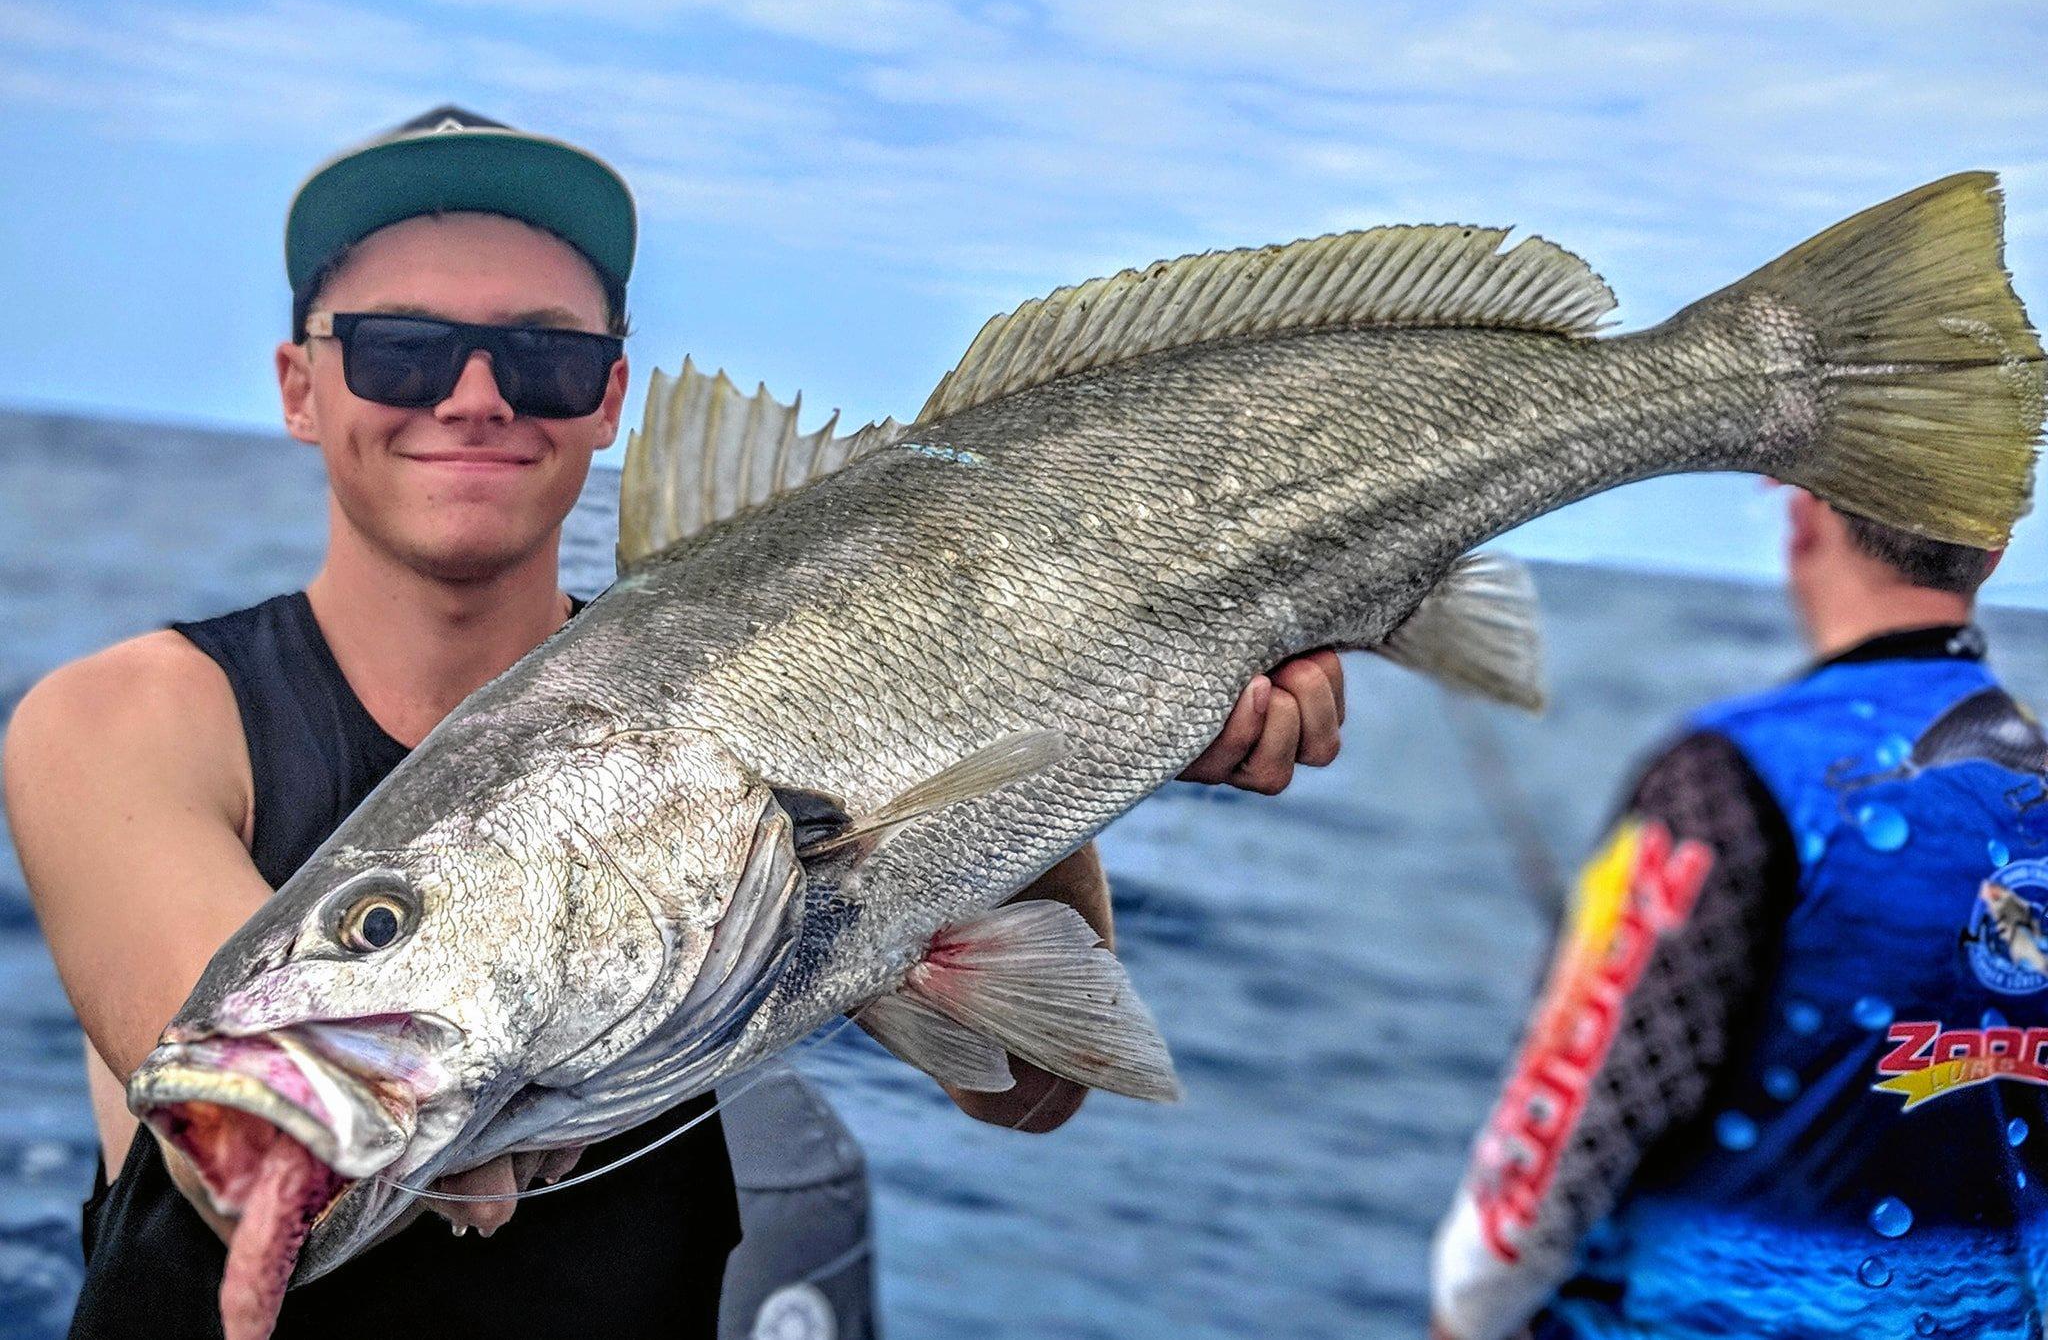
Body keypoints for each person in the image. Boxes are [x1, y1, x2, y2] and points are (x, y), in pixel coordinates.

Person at [2, 106, 1347, 1339]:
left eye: (544, 354)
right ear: (302, 387)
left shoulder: (779, 690)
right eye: (403, 349)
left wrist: (1082, 718)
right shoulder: (124, 720)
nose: (474, 394)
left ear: (610, 400)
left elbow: (1025, 1087)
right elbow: (232, 1117)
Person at [1430, 487, 2048, 1339]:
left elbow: (1569, 1120)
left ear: (1802, 515)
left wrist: (1462, 1315)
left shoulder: (1722, 775)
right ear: (1993, 551)